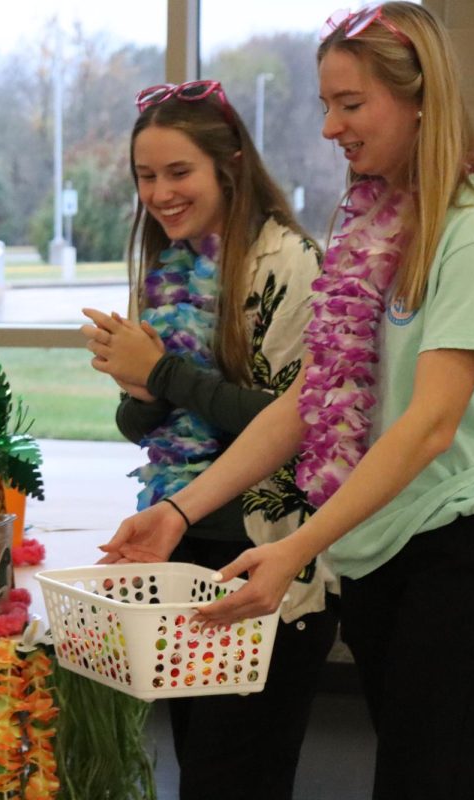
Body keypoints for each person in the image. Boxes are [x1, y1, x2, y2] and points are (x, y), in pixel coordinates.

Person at [103, 4, 474, 797]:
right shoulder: (376, 229)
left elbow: (427, 426)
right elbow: (308, 403)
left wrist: (294, 545)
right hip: (379, 553)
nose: (329, 129)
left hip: (459, 550)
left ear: (423, 99)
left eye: (350, 105)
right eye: (325, 105)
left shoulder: (473, 233)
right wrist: (177, 513)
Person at [80, 78, 334, 800]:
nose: (159, 193)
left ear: (229, 165)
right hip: (184, 550)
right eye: (145, 176)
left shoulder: (289, 265)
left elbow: (296, 421)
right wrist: (140, 387)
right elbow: (146, 428)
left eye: (178, 172)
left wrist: (159, 369)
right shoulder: (168, 269)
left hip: (269, 562)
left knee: (237, 777)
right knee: (198, 772)